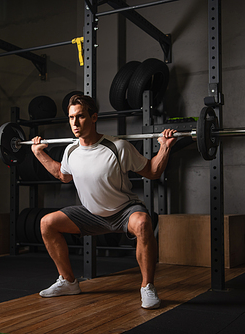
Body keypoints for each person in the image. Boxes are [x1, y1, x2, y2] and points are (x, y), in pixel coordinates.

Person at [31, 94, 177, 309]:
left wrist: (165, 147)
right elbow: (63, 176)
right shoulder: (71, 150)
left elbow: (153, 172)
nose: (75, 123)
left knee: (143, 223)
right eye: (71, 118)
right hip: (90, 214)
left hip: (123, 211)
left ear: (94, 117)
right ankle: (69, 281)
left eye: (80, 117)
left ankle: (147, 287)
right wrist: (38, 154)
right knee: (47, 223)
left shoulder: (118, 147)